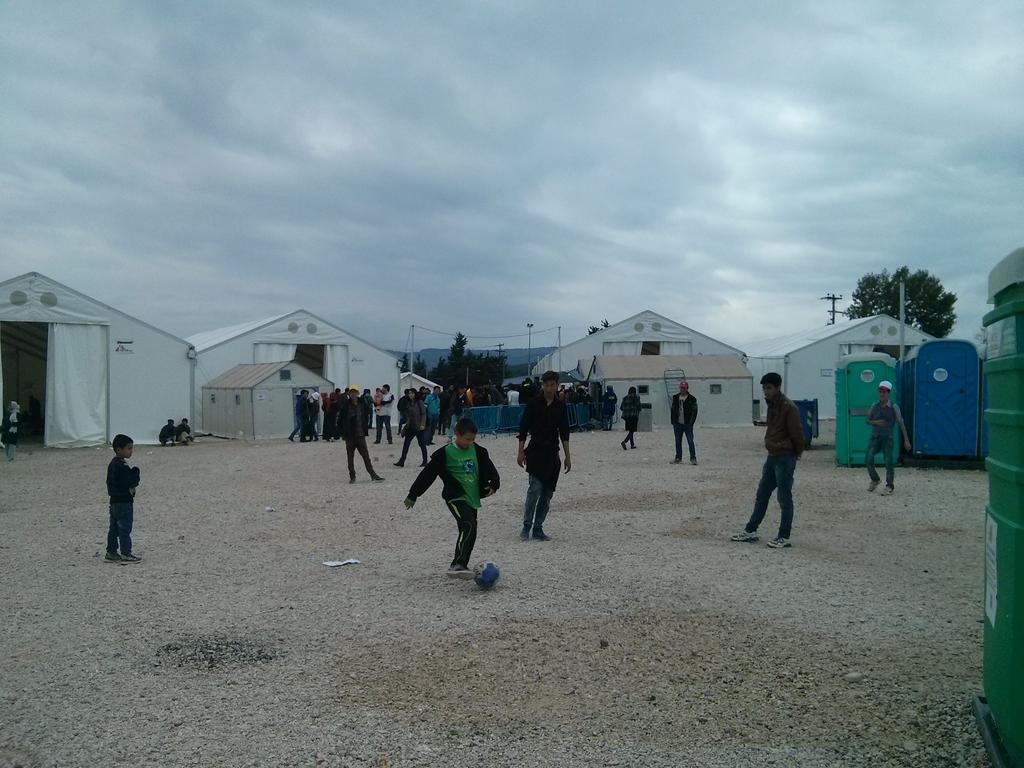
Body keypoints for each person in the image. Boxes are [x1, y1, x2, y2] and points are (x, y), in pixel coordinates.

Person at [403, 418, 501, 578]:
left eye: (473, 439)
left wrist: (494, 485)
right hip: (455, 497)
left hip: (472, 499)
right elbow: (427, 475)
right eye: (467, 439)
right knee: (468, 524)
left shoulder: (479, 451)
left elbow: (490, 470)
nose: (470, 442)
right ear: (457, 434)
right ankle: (458, 564)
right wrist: (413, 494)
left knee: (471, 529)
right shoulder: (444, 453)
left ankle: (460, 563)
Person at [730, 373, 805, 549]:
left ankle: (784, 536)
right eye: (764, 388)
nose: (766, 391)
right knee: (762, 494)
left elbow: (797, 434)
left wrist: (795, 453)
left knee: (784, 497)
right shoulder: (772, 405)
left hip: (785, 457)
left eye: (769, 388)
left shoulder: (789, 408)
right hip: (772, 456)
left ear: (777, 387)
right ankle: (751, 530)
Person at [517, 370, 572, 541]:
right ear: (543, 385)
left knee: (547, 494)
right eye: (547, 385)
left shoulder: (560, 406)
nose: (549, 388)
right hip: (535, 452)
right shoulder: (533, 403)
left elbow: (564, 432)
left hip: (552, 454)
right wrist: (520, 451)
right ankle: (526, 525)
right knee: (534, 490)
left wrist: (568, 456)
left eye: (552, 385)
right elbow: (523, 428)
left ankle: (538, 527)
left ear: (557, 385)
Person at [866, 380, 911, 496]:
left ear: (888, 393)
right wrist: (877, 422)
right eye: (880, 391)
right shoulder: (874, 405)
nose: (882, 394)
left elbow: (901, 423)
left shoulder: (894, 407)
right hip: (875, 437)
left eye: (884, 392)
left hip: (887, 438)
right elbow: (867, 420)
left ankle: (889, 485)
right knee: (868, 458)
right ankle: (875, 479)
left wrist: (906, 440)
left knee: (888, 462)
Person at [105, 433, 141, 563]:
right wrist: (136, 473)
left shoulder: (112, 464)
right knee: (125, 529)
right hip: (124, 502)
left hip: (114, 501)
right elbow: (130, 482)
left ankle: (111, 552)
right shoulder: (122, 466)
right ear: (119, 449)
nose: (131, 451)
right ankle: (126, 553)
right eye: (129, 448)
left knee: (113, 529)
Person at [339, 387, 384, 484]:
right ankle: (352, 476)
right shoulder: (346, 405)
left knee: (366, 456)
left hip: (360, 434)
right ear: (349, 394)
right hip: (350, 436)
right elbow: (340, 419)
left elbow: (367, 413)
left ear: (358, 393)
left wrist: (365, 427)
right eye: (352, 393)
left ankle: (373, 474)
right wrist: (342, 433)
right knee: (350, 458)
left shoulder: (362, 403)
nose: (353, 394)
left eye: (355, 392)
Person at [395, 389, 429, 467]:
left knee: (422, 444)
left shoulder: (419, 402)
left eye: (412, 393)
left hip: (418, 427)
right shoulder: (409, 403)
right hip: (411, 426)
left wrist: (422, 424)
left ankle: (425, 461)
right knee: (406, 444)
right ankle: (402, 461)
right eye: (409, 393)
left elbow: (423, 414)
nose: (411, 395)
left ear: (415, 394)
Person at [670, 380, 699, 465]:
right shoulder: (675, 397)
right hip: (678, 424)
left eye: (684, 388)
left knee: (690, 441)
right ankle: (678, 458)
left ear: (687, 389)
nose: (682, 389)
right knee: (678, 441)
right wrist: (673, 421)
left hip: (687, 424)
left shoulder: (692, 399)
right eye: (681, 388)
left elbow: (695, 411)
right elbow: (673, 410)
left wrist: (691, 422)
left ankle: (693, 458)